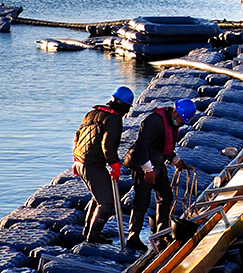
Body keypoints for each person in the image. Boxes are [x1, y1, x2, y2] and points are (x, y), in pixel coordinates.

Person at [125, 97, 196, 252]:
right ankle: (133, 236)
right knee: (142, 199)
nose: (182, 124)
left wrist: (176, 160)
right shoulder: (153, 121)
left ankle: (162, 232)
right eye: (181, 120)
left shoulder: (172, 124)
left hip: (157, 162)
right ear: (175, 112)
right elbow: (142, 146)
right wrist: (147, 170)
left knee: (166, 196)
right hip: (141, 162)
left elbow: (166, 147)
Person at [72, 85, 134, 243]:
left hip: (81, 162)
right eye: (127, 107)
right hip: (92, 164)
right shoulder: (113, 119)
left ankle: (88, 230)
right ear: (122, 105)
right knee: (107, 201)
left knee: (97, 197)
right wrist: (115, 166)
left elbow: (78, 135)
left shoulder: (93, 113)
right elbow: (108, 146)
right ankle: (93, 235)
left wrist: (76, 160)